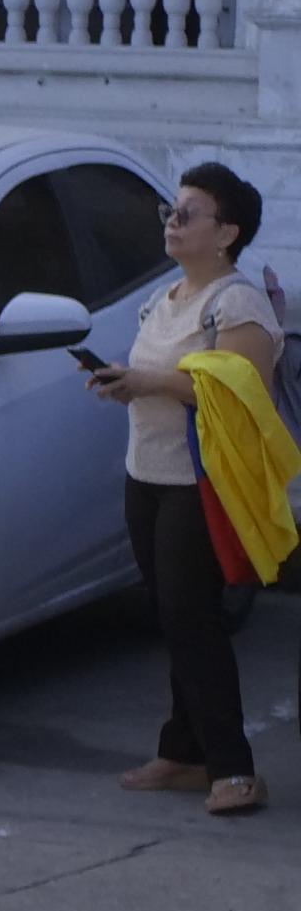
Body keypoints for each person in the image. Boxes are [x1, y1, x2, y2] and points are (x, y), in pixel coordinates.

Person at [101, 159, 280, 821]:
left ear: (226, 232)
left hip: (198, 485)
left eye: (187, 214)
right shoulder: (164, 297)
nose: (171, 224)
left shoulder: (236, 302)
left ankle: (235, 770)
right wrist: (124, 383)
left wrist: (147, 383)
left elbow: (244, 389)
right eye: (168, 212)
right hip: (145, 474)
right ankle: (183, 750)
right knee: (171, 617)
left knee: (192, 620)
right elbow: (160, 378)